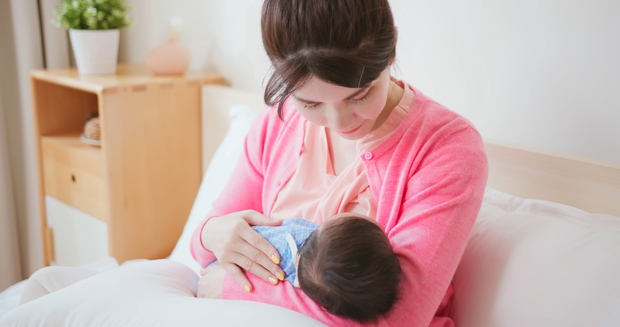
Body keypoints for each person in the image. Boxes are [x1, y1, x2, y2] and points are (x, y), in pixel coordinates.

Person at [191, 0, 488, 326]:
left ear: (391, 52)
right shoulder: (278, 124)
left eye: (359, 96)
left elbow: (396, 318)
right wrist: (211, 234)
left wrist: (237, 287)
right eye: (311, 103)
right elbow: (204, 250)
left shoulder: (447, 149)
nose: (338, 121)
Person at [202, 213, 401, 323]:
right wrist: (206, 234)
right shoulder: (327, 284)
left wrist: (231, 286)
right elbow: (208, 244)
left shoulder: (286, 240)